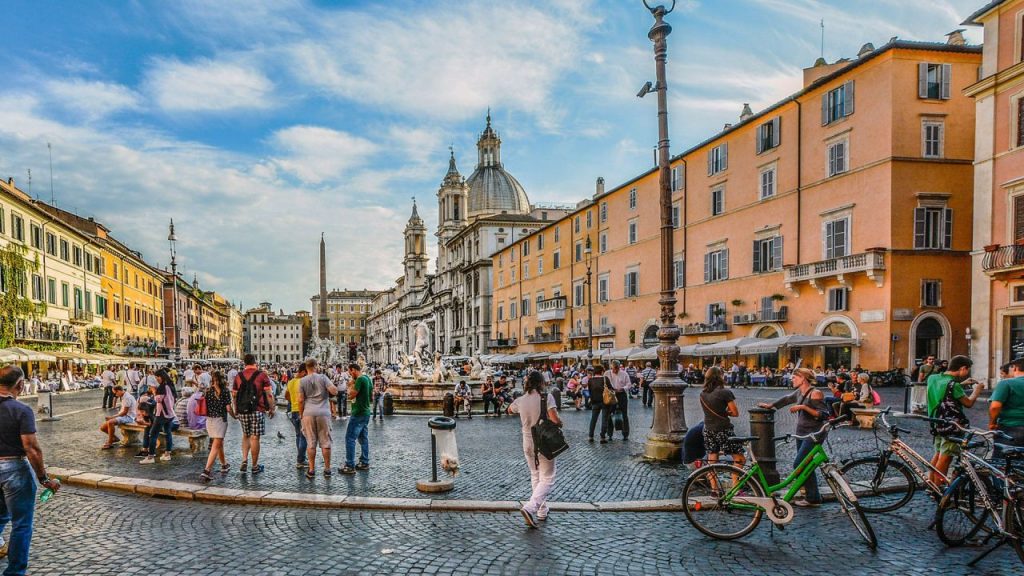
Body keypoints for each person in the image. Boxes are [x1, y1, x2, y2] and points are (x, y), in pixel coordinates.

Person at [0, 365, 60, 576]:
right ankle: (15, 572)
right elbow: (31, 448)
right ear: (20, 385)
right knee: (21, 524)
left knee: (0, 518)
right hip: (14, 467)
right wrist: (44, 479)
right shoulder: (21, 410)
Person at [757, 367, 828, 507]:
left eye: (795, 377)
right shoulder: (799, 392)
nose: (792, 379)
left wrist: (803, 407)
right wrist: (771, 406)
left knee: (799, 464)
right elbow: (786, 399)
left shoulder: (815, 393)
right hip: (801, 432)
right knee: (806, 464)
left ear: (803, 378)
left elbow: (824, 415)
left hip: (814, 434)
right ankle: (813, 497)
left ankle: (811, 496)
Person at [508, 371, 561, 528]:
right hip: (544, 441)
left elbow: (509, 410)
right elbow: (554, 418)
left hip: (527, 442)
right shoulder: (547, 397)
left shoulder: (520, 400)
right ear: (541, 383)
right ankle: (530, 507)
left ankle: (542, 510)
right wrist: (560, 422)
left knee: (535, 474)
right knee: (548, 477)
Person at [926, 355, 981, 486]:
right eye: (967, 370)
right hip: (951, 425)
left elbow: (944, 389)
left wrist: (961, 384)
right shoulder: (954, 385)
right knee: (945, 458)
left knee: (938, 453)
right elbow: (968, 403)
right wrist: (977, 391)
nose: (967, 373)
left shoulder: (932, 378)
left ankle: (931, 484)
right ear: (962, 368)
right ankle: (939, 490)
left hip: (936, 421)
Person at [231, 354, 276, 475]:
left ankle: (244, 460)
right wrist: (272, 408)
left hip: (243, 410)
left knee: (246, 435)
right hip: (257, 409)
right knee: (255, 437)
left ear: (244, 363)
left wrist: (236, 410)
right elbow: (269, 394)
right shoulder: (262, 375)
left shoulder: (238, 376)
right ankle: (254, 466)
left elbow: (234, 396)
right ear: (255, 362)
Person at [299, 359, 338, 478]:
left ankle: (311, 470)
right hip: (323, 412)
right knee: (325, 442)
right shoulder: (323, 378)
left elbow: (300, 400)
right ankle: (327, 469)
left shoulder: (302, 381)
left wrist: (301, 415)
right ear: (316, 366)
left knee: (311, 442)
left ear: (306, 368)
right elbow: (334, 391)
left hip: (308, 412)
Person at [699, 367, 744, 467]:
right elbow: (735, 413)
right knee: (739, 459)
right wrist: (726, 413)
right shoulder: (725, 392)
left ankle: (713, 483)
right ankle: (735, 482)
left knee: (712, 460)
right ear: (719, 377)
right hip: (723, 429)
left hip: (708, 428)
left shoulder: (702, 394)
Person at [200, 371, 235, 481]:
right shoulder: (225, 391)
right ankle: (207, 470)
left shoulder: (208, 391)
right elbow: (228, 409)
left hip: (209, 420)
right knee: (216, 445)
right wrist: (234, 416)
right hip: (220, 420)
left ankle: (224, 465)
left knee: (219, 443)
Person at [340, 363, 372, 475]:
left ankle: (350, 465)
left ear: (353, 370)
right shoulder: (368, 378)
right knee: (363, 438)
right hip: (366, 411)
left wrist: (349, 386)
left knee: (350, 438)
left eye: (350, 372)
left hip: (358, 413)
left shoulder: (359, 380)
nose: (350, 374)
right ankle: (364, 462)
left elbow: (351, 395)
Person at [141, 369, 176, 465]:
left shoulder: (162, 386)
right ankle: (167, 454)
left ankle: (150, 456)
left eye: (157, 377)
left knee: (153, 434)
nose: (157, 379)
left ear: (161, 376)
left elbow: (158, 399)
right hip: (170, 413)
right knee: (168, 432)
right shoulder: (170, 385)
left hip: (162, 413)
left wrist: (154, 391)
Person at [990, 357, 1024, 447]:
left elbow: (995, 407)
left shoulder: (1006, 383)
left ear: (1015, 368)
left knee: (1002, 459)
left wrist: (992, 423)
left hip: (1011, 427)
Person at [284, 365, 309, 469]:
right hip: (302, 410)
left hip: (294, 410)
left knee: (298, 435)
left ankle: (301, 457)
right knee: (304, 436)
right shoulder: (303, 382)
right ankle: (301, 460)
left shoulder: (291, 382)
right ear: (303, 372)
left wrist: (292, 400)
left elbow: (286, 396)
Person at [587, 365, 614, 443]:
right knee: (604, 419)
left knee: (593, 419)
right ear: (602, 371)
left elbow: (590, 392)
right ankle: (602, 437)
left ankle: (590, 436)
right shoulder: (605, 379)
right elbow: (611, 389)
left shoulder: (590, 380)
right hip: (605, 402)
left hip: (594, 402)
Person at [607, 360, 631, 441]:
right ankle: (609, 434)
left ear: (619, 367)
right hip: (611, 395)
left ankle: (625, 434)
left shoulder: (624, 374)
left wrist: (623, 388)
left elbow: (629, 384)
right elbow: (604, 384)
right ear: (611, 367)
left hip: (621, 395)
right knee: (610, 414)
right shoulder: (607, 374)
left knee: (624, 414)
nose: (615, 370)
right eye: (614, 369)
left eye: (617, 369)